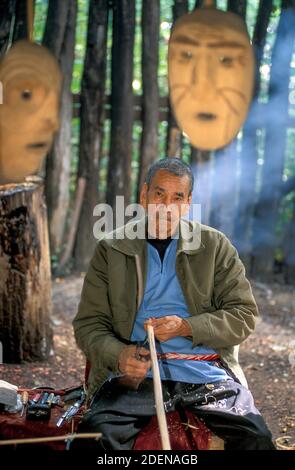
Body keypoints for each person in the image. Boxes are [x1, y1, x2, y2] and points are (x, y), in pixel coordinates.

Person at [72, 157, 275, 450]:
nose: (166, 206)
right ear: (144, 196)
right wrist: (119, 354)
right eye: (159, 194)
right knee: (94, 438)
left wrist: (186, 327)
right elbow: (89, 325)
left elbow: (243, 316)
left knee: (256, 438)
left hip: (205, 374)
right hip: (135, 375)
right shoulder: (112, 249)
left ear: (188, 202)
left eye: (177, 197)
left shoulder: (215, 247)